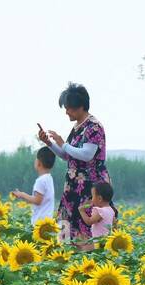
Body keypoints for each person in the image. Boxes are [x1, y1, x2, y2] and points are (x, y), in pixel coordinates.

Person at [38, 82, 109, 246]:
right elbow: (67, 154)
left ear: (80, 107)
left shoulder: (93, 126)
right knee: (66, 231)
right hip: (73, 187)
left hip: (90, 187)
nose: (66, 112)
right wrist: (49, 143)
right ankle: (67, 261)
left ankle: (88, 264)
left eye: (69, 107)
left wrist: (64, 144)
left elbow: (87, 155)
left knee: (88, 229)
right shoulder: (78, 127)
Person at [11, 146, 58, 226]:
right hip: (47, 221)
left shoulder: (40, 181)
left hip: (40, 224)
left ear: (39, 162)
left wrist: (22, 194)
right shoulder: (49, 178)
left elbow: (37, 201)